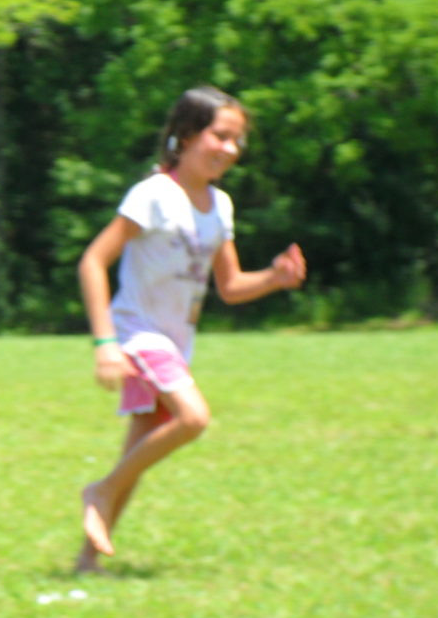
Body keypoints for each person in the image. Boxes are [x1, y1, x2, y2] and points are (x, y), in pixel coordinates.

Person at [75, 85, 306, 574]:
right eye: (220, 136)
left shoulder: (219, 206)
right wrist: (105, 344)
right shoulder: (153, 194)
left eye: (236, 141)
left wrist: (274, 277)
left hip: (177, 343)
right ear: (186, 134)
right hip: (138, 336)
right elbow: (93, 262)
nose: (229, 149)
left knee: (141, 444)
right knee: (193, 418)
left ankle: (87, 562)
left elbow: (231, 285)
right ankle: (100, 489)